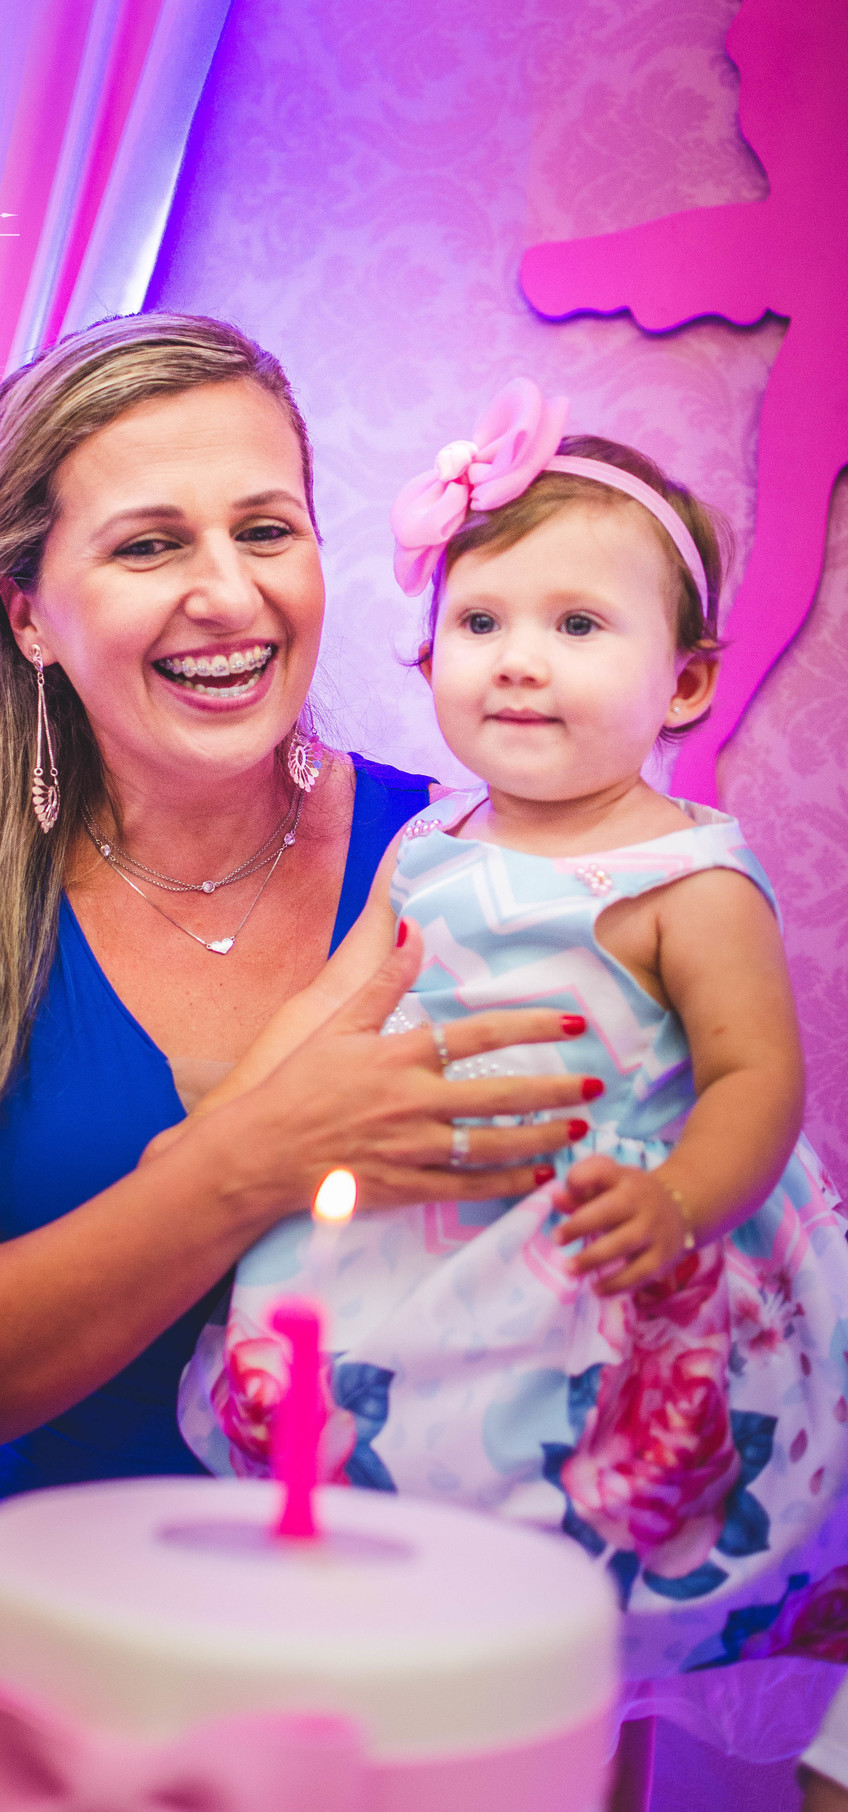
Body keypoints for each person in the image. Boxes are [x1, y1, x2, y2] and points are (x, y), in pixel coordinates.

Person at [177, 380, 848, 1793]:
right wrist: (225, 1129)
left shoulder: (690, 879)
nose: (520, 663)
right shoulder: (431, 845)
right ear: (431, 658)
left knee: (561, 1612)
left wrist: (678, 1200)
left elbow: (755, 1082)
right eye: (481, 624)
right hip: (411, 1234)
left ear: (684, 683)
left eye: (578, 626)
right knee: (388, 1581)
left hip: (593, 1256)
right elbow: (339, 1002)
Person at [0, 319, 597, 1505]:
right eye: (149, 546)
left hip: (428, 1595)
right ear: (28, 617)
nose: (231, 596)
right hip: (89, 1602)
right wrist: (251, 1161)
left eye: (267, 531)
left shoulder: (458, 860)